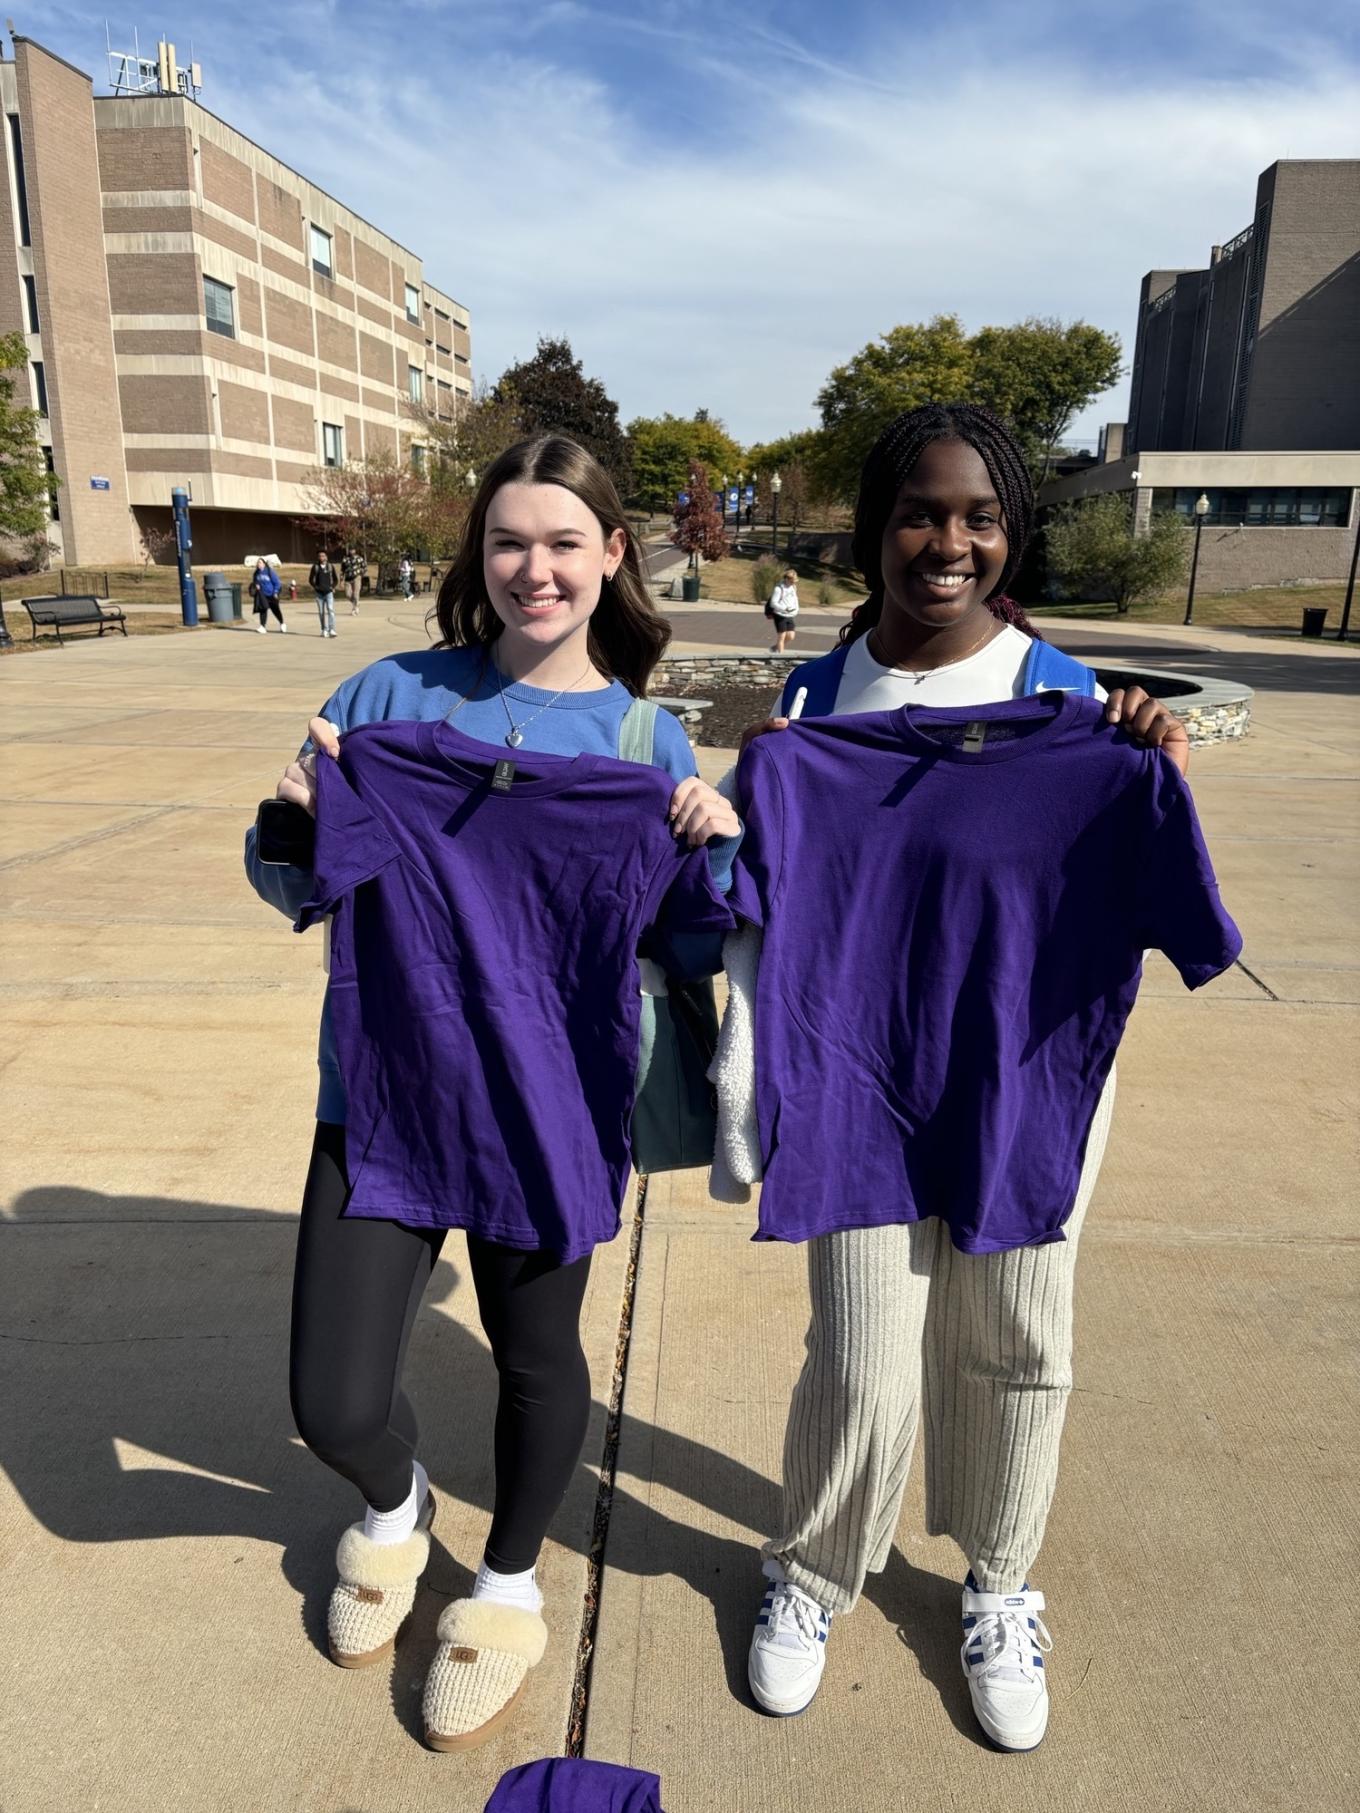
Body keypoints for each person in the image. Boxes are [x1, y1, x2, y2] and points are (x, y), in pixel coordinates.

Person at [243, 434, 740, 1751]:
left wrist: (715, 853)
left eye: (565, 542)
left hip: (551, 1104)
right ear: (480, 553)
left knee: (535, 1362)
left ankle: (508, 1582)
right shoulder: (388, 701)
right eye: (511, 541)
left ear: (613, 555)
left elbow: (685, 947)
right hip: (386, 1094)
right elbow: (297, 884)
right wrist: (294, 817)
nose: (536, 569)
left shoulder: (642, 738)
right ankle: (397, 1505)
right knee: (331, 1401)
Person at [740, 404, 1196, 1751]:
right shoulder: (820, 701)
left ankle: (999, 1584)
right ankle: (816, 1572)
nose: (950, 541)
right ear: (880, 526)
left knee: (1018, 1338)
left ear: (1009, 534)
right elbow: (762, 886)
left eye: (979, 516)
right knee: (866, 1355)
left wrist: (1148, 771)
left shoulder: (1067, 695)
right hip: (860, 1074)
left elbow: (1142, 882)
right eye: (922, 513)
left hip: (1026, 1073)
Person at [249, 558, 286, 634]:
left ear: (264, 564)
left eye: (260, 562)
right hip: (262, 595)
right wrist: (256, 586)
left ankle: (282, 623)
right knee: (263, 609)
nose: (258, 564)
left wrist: (275, 592)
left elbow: (277, 583)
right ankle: (262, 626)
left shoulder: (269, 572)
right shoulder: (256, 573)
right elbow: (255, 582)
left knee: (275, 610)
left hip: (272, 594)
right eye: (258, 563)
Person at [767, 567, 799, 654]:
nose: (793, 583)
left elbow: (795, 599)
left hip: (789, 614)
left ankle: (776, 647)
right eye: (791, 581)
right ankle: (780, 655)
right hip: (780, 614)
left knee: (791, 636)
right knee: (782, 636)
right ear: (786, 579)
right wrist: (783, 608)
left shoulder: (793, 587)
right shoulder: (778, 589)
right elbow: (773, 603)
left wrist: (796, 609)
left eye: (794, 581)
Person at [309, 550, 338, 637]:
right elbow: (310, 579)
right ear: (318, 557)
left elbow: (335, 579)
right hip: (319, 594)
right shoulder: (315, 567)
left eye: (323, 556)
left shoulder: (330, 567)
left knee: (330, 610)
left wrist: (332, 587)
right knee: (321, 612)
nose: (322, 557)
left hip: (329, 592)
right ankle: (324, 629)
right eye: (320, 556)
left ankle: (331, 629)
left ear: (326, 557)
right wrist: (316, 587)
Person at [341, 547, 365, 616]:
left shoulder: (359, 558)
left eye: (353, 550)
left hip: (356, 577)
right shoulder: (345, 559)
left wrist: (360, 574)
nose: (351, 551)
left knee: (355, 593)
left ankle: (355, 609)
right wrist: (341, 580)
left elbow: (364, 567)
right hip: (347, 578)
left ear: (355, 550)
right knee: (348, 594)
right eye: (350, 550)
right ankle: (356, 603)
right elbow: (342, 570)